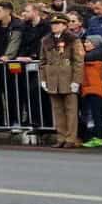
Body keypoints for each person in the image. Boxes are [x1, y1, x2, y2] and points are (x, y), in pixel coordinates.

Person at [40, 14, 84, 148]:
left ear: (65, 26)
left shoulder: (73, 40)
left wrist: (76, 80)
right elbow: (43, 61)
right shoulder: (46, 40)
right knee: (57, 110)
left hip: (68, 77)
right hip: (52, 78)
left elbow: (78, 61)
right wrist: (43, 78)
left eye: (58, 24)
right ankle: (61, 137)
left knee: (71, 110)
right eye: (53, 24)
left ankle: (71, 138)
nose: (55, 26)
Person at [79, 34, 102, 147]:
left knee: (96, 115)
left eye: (88, 42)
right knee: (89, 115)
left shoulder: (98, 53)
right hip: (87, 88)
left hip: (95, 88)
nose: (85, 44)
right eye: (85, 42)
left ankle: (98, 137)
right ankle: (92, 136)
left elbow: (86, 57)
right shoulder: (90, 55)